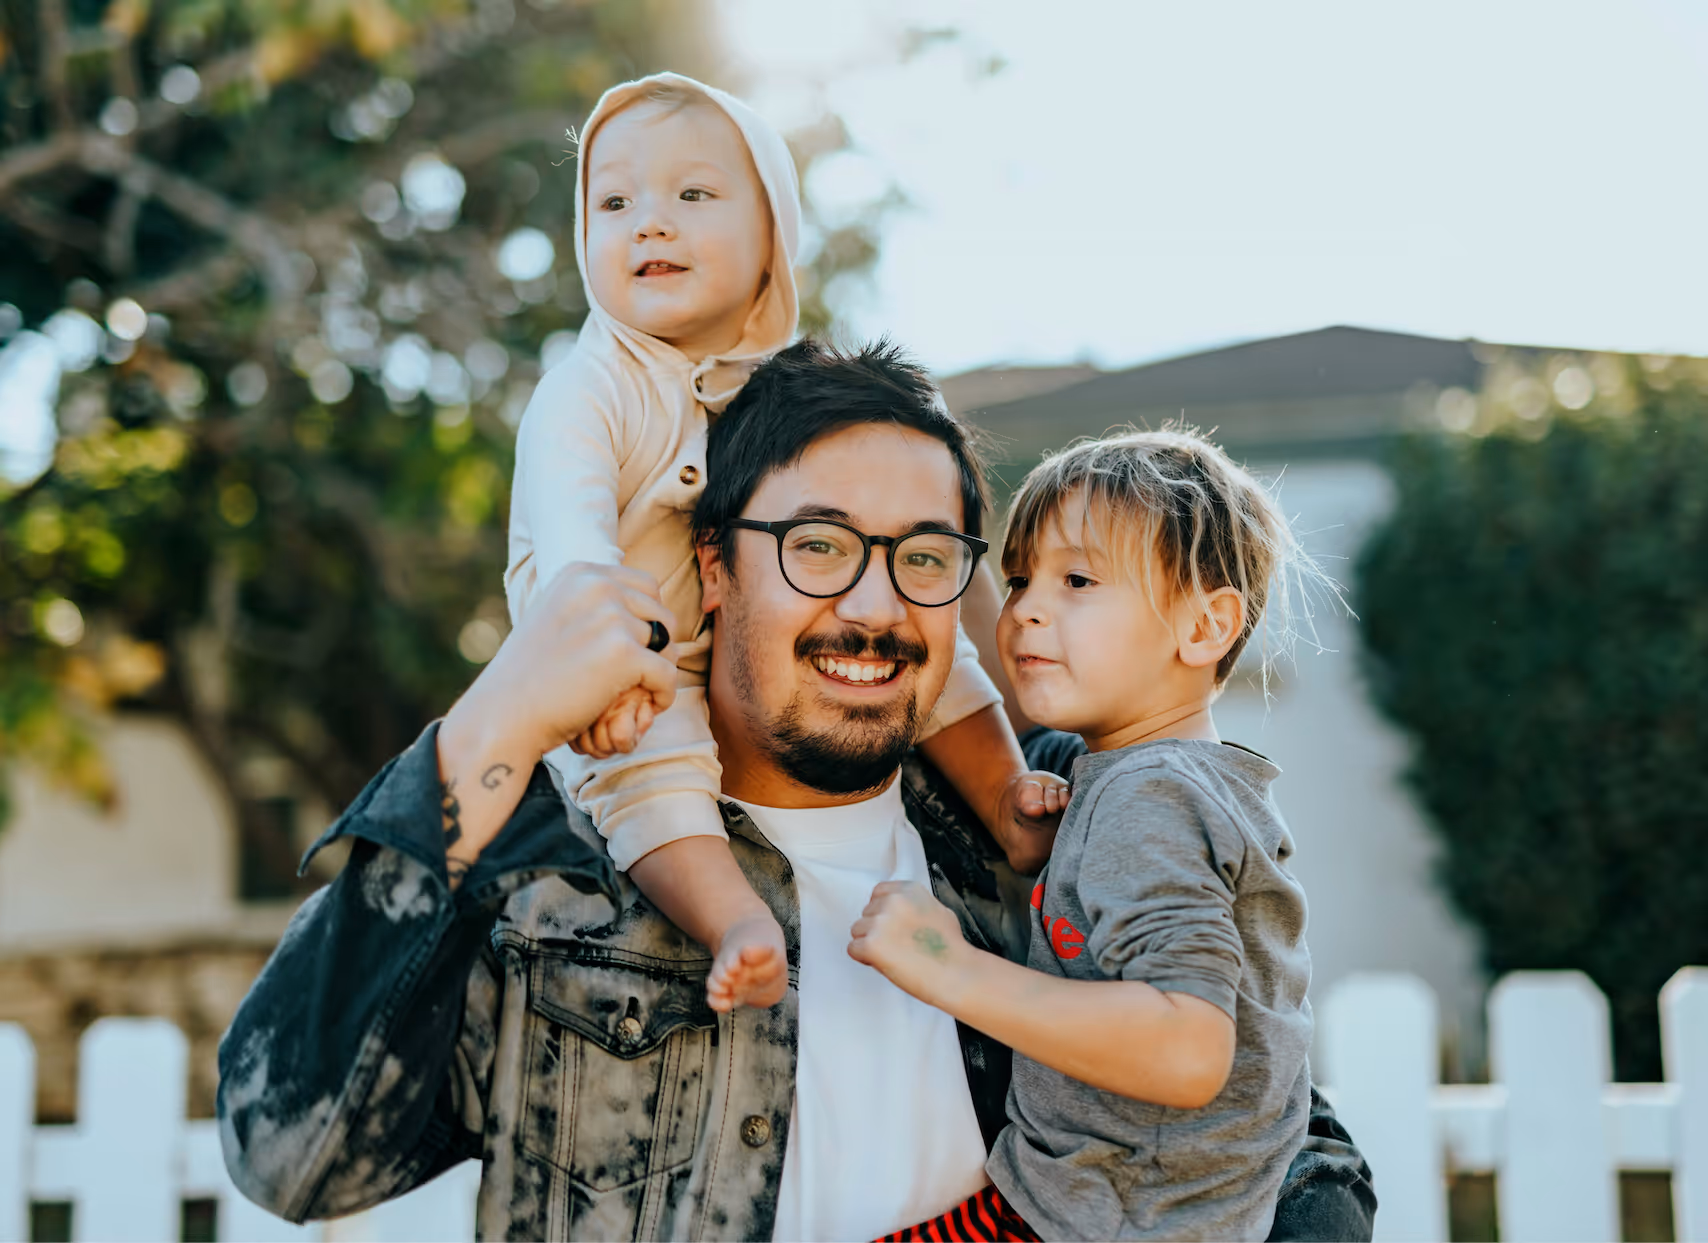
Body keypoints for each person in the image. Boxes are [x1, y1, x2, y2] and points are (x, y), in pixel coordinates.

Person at [217, 341, 1375, 1241]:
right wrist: (495, 719)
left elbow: (1283, 1130)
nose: (873, 607)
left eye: (923, 556)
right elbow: (293, 1152)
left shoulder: (1038, 821)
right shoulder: (549, 864)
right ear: (714, 567)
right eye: (818, 544)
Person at [505, 72, 1066, 1016]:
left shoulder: (788, 393)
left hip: (715, 649)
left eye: (692, 195)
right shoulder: (591, 387)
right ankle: (734, 920)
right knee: (653, 778)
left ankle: (1008, 799)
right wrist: (605, 674)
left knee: (939, 647)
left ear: (773, 235)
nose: (650, 222)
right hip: (625, 665)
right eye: (614, 202)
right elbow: (574, 549)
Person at [852, 429, 1328, 1240]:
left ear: (1206, 626)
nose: (1027, 605)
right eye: (1018, 577)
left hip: (1099, 1216)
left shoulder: (1148, 795)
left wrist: (947, 967)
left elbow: (1187, 1047)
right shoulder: (1168, 781)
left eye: (1077, 578)